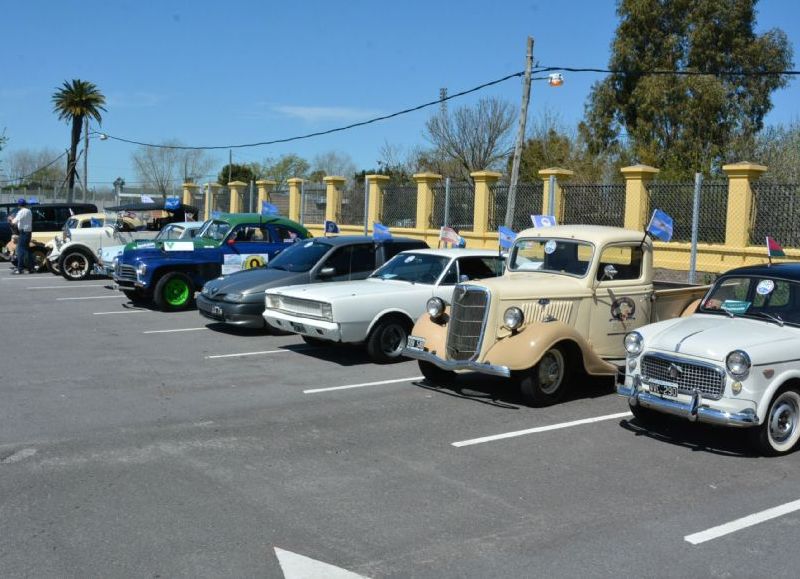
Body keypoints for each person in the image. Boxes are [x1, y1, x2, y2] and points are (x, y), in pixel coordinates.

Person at [9, 198, 33, 274]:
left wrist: (11, 219)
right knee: (27, 250)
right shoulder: (29, 211)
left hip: (23, 232)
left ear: (19, 205)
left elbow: (14, 222)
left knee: (20, 251)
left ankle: (20, 269)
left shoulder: (21, 212)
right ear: (25, 204)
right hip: (28, 232)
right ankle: (30, 268)